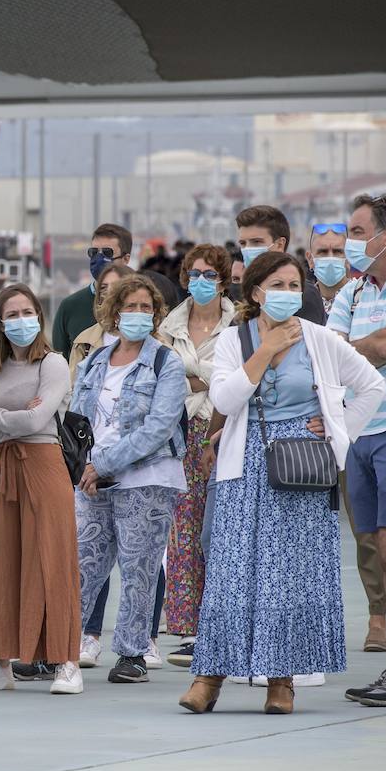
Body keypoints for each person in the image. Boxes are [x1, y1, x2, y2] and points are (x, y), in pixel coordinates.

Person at [180, 252, 384, 715]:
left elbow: (371, 384)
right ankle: (208, 677)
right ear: (255, 292)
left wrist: (338, 427)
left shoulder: (319, 339)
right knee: (232, 572)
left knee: (289, 576)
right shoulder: (236, 340)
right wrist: (266, 351)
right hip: (243, 463)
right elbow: (226, 398)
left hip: (301, 465)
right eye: (278, 285)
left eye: (295, 286)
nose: (287, 294)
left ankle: (282, 681)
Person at [68, 274, 188, 685]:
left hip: (147, 477)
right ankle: (63, 647)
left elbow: (159, 428)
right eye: (130, 306)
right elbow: (79, 420)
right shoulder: (95, 360)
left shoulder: (165, 362)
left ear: (156, 314)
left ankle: (132, 652)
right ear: (114, 312)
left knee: (139, 566)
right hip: (92, 477)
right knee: (84, 563)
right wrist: (85, 466)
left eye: (146, 307)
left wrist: (105, 465)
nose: (138, 314)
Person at [0, 284, 83, 696]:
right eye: (11, 314)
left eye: (27, 311)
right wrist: (11, 415)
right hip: (4, 467)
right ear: (0, 323)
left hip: (43, 464)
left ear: (39, 315)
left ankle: (66, 661)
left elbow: (38, 423)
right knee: (1, 559)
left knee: (53, 557)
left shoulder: (52, 363)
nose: (21, 320)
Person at [329, 193, 386, 706]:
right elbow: (330, 357)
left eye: (357, 232)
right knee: (379, 549)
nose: (352, 244)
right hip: (360, 433)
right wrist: (359, 352)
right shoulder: (351, 295)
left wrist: (350, 353)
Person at [309, 221, 386, 653]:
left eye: (337, 251)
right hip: (311, 428)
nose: (330, 260)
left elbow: (343, 354)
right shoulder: (307, 298)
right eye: (321, 252)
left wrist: (349, 349)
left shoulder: (360, 291)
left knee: (373, 531)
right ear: (309, 257)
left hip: (359, 421)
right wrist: (368, 343)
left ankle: (377, 616)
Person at [156, 245, 236, 669]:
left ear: (223, 280)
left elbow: (238, 377)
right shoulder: (170, 324)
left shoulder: (239, 321)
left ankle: (225, 620)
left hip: (224, 431)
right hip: (183, 432)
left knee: (220, 527)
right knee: (183, 531)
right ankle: (192, 628)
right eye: (194, 273)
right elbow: (168, 379)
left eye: (210, 274)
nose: (201, 280)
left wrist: (198, 377)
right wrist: (211, 378)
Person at [53, 223, 180, 359]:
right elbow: (63, 363)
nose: (99, 259)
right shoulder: (70, 306)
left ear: (126, 259)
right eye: (94, 252)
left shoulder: (149, 298)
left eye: (107, 252)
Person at [235, 205, 326, 323]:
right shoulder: (247, 290)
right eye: (243, 243)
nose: (248, 249)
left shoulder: (301, 294)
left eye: (256, 242)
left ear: (279, 245)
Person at [67, 262, 136, 384]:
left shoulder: (157, 342)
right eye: (103, 288)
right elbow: (73, 391)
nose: (109, 292)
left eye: (116, 286)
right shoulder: (84, 342)